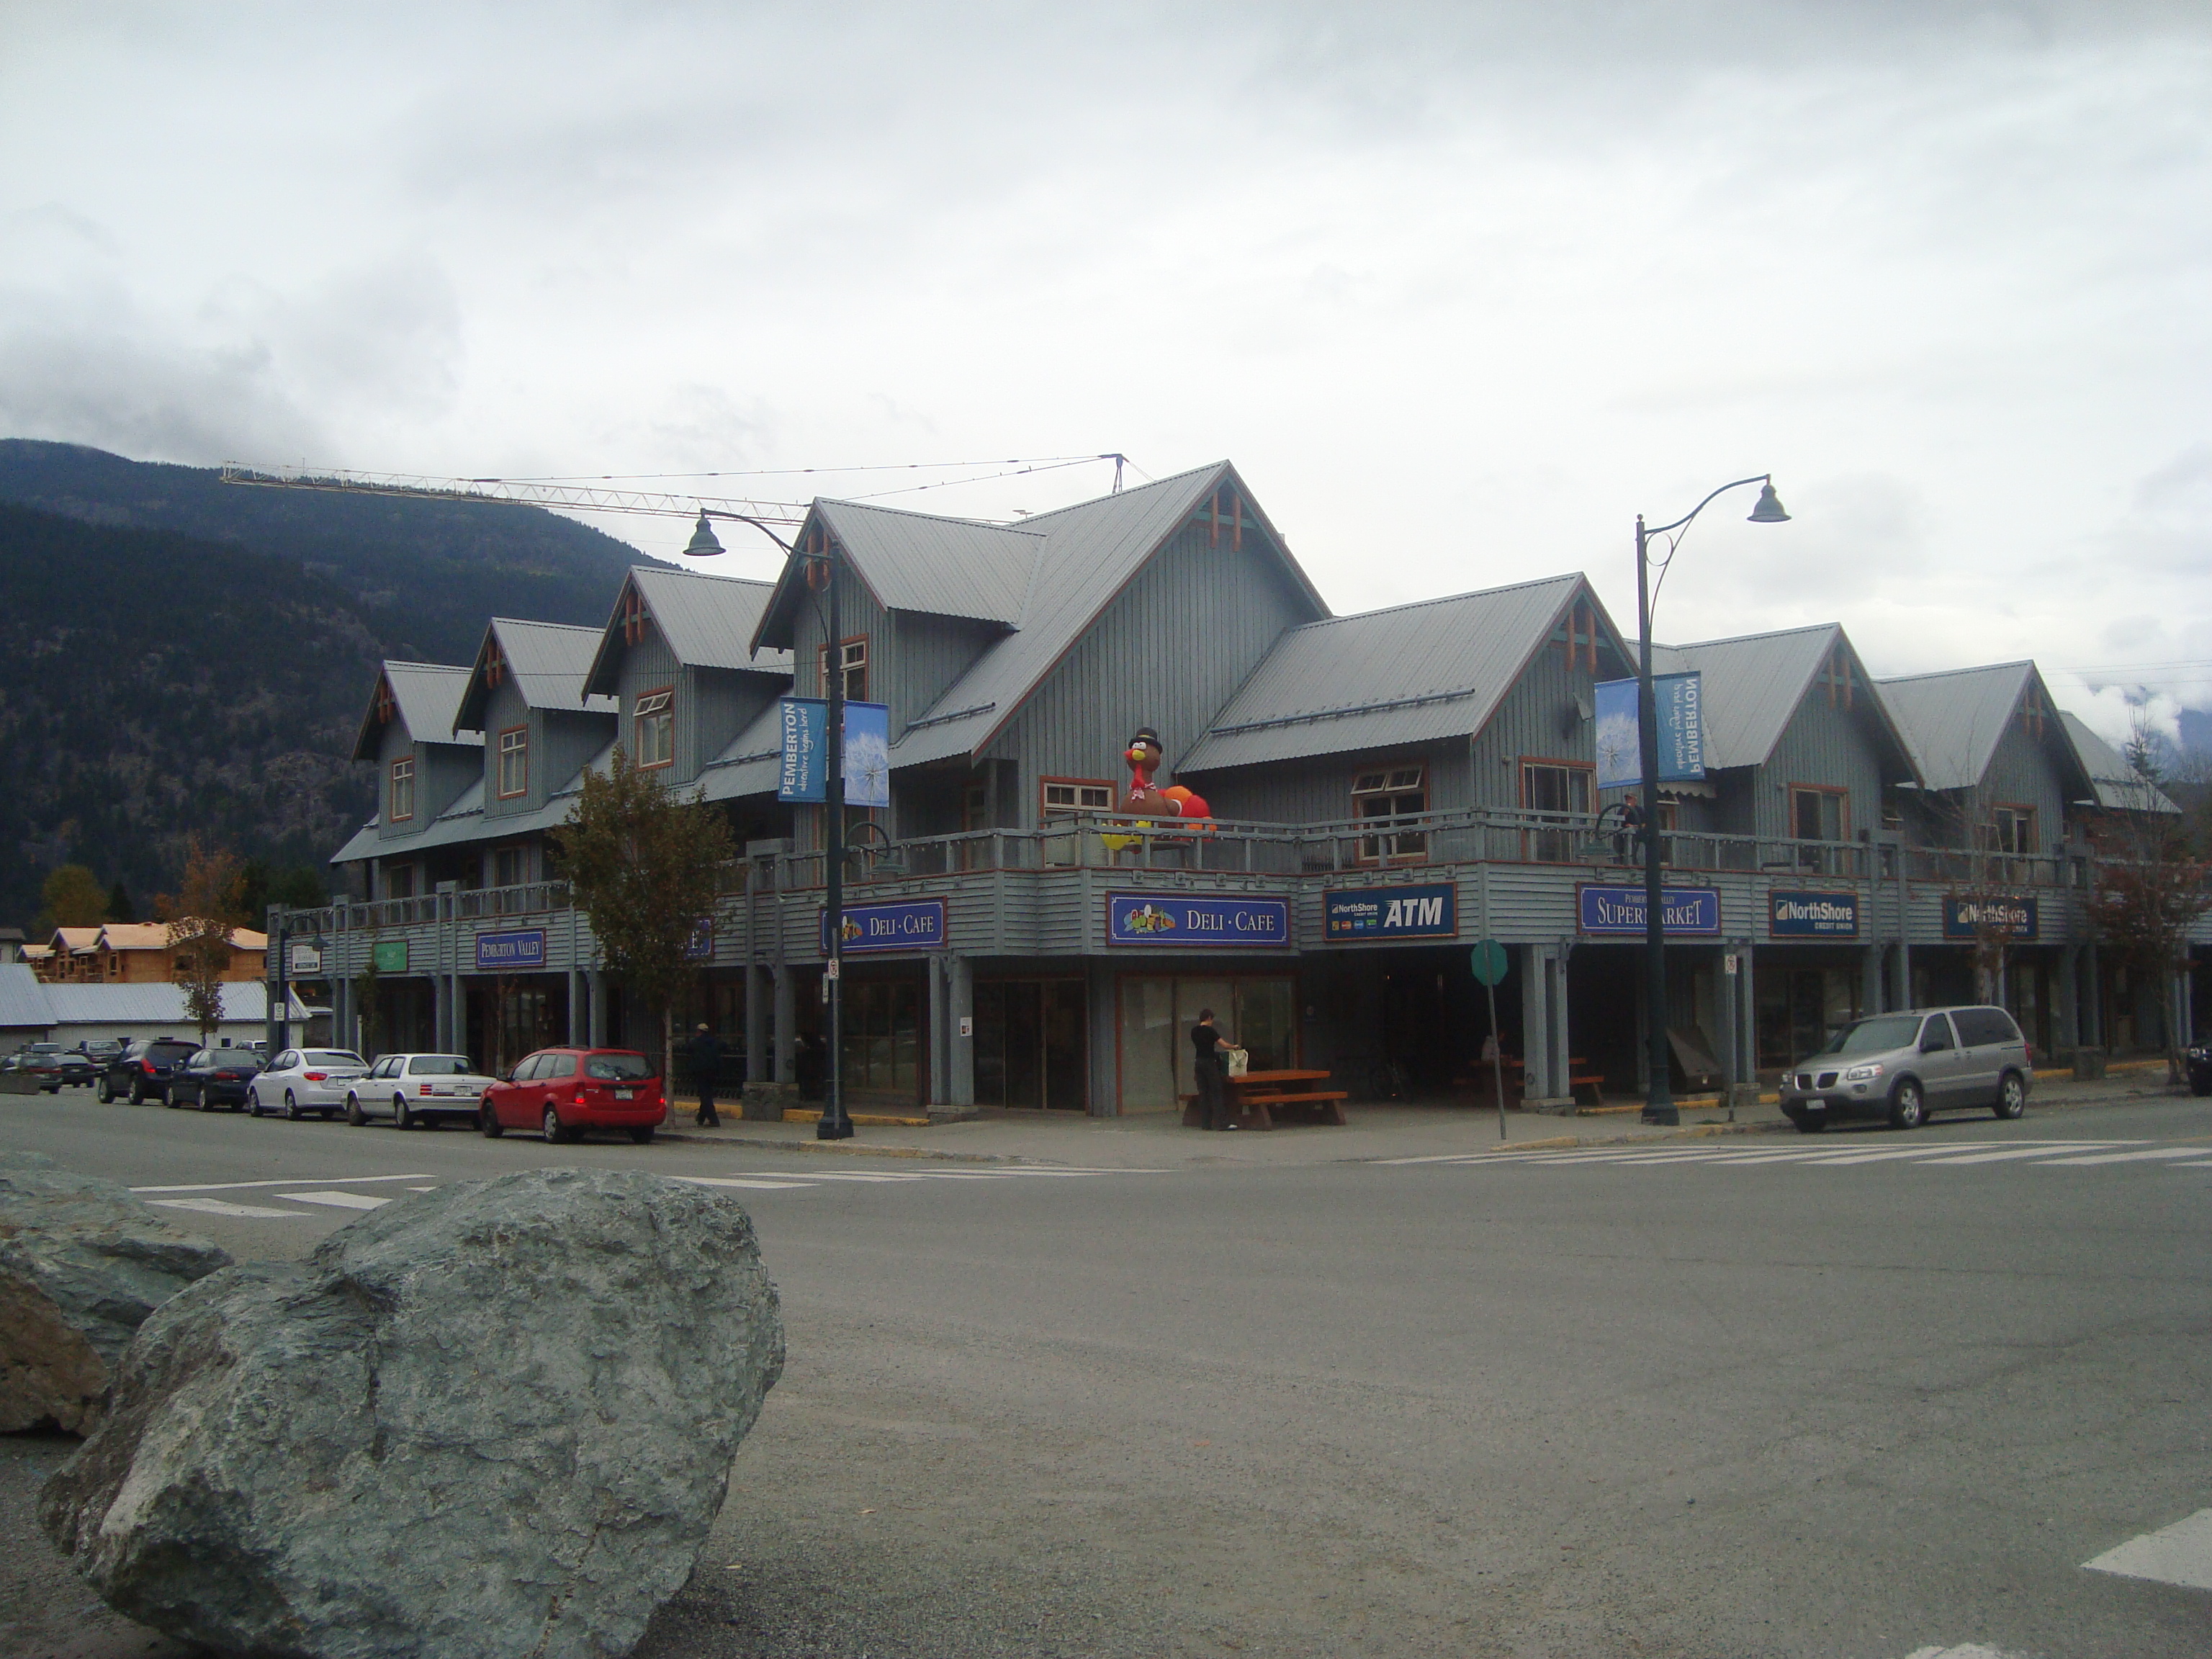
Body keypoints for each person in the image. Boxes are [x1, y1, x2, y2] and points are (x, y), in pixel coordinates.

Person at [1190, 1007, 1238, 1130]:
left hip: (1198, 1062)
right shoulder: (1210, 1031)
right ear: (1209, 1018)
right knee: (1216, 1092)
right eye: (1212, 1020)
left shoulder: (1194, 1031)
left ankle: (1206, 1124)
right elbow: (1224, 1045)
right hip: (1209, 1062)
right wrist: (1234, 1047)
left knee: (1203, 1093)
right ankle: (1222, 1123)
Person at [686, 1022, 723, 1128]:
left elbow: (687, 1050)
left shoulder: (695, 1043)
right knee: (707, 1094)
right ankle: (701, 1118)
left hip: (700, 1072)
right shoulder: (714, 1042)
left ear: (698, 1032)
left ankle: (714, 1120)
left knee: (705, 1095)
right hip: (713, 1072)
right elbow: (724, 1047)